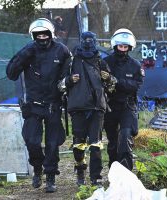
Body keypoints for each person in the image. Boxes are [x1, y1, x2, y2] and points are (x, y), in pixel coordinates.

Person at [6, 18, 72, 193]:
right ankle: (37, 168)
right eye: (38, 34)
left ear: (51, 34)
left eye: (45, 34)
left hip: (53, 104)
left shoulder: (62, 51)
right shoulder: (28, 50)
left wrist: (67, 89)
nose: (42, 37)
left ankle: (50, 177)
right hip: (33, 105)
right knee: (31, 141)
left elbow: (69, 74)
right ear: (33, 36)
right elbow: (11, 73)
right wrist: (24, 55)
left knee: (52, 143)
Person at [58, 31, 116, 186]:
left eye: (91, 40)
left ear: (95, 41)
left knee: (96, 143)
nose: (88, 43)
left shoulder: (101, 62)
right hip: (77, 108)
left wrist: (109, 78)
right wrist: (69, 80)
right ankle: (80, 170)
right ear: (81, 41)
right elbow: (60, 85)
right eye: (86, 40)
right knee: (79, 144)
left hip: (97, 108)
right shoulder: (71, 62)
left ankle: (95, 177)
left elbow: (112, 87)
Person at [103, 28, 144, 171]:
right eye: (120, 46)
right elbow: (100, 83)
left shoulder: (135, 65)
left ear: (130, 47)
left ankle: (126, 171)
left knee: (126, 136)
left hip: (127, 105)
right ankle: (114, 171)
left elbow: (136, 85)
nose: (122, 49)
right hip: (110, 105)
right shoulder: (105, 63)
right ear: (115, 46)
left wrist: (116, 81)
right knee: (113, 142)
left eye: (125, 46)